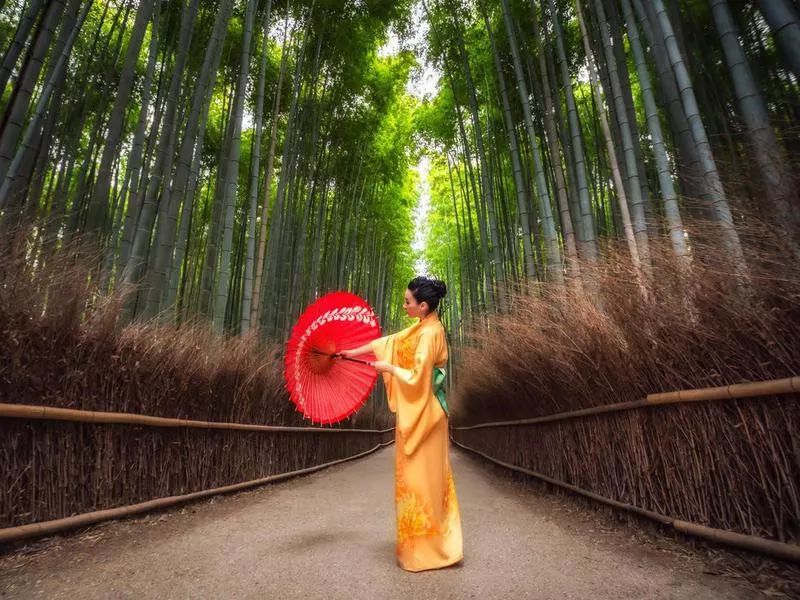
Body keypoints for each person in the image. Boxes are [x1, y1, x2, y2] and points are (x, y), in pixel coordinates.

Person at [340, 276, 463, 572]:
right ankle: (416, 548)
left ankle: (432, 550)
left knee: (424, 482)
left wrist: (391, 368)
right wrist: (351, 353)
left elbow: (420, 376)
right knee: (412, 479)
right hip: (420, 410)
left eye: (408, 301)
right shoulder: (422, 327)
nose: (404, 305)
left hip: (429, 415)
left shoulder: (431, 333)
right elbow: (389, 343)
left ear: (422, 306)